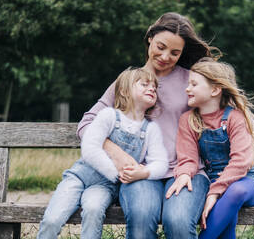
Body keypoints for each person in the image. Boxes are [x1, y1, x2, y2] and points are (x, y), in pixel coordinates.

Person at [77, 12, 220, 238]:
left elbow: (219, 115)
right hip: (140, 171)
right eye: (161, 46)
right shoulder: (127, 81)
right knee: (142, 219)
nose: (165, 56)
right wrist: (115, 153)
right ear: (150, 38)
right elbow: (86, 123)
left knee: (179, 222)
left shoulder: (191, 80)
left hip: (185, 170)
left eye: (175, 53)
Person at [37, 68, 168, 239]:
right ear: (124, 90)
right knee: (52, 219)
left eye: (154, 87)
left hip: (105, 186)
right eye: (144, 84)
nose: (151, 88)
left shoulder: (151, 129)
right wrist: (116, 172)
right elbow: (90, 148)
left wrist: (143, 172)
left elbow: (161, 163)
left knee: (93, 211)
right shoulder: (109, 116)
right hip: (79, 177)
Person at [173, 58, 254, 239]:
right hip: (212, 181)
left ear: (214, 90)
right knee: (227, 218)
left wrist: (214, 193)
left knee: (234, 192)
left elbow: (241, 162)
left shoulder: (235, 118)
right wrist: (184, 173)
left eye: (194, 84)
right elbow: (188, 159)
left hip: (246, 181)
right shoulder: (188, 120)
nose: (187, 89)